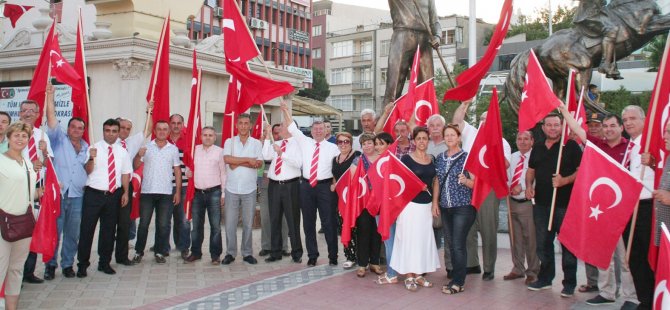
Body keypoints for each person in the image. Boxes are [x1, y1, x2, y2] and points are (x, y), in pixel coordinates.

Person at [561, 108, 632, 299]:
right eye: (605, 126)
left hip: (623, 210)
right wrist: (562, 109)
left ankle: (631, 296)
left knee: (624, 259)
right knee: (603, 256)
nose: (608, 129)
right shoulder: (598, 145)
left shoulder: (631, 148)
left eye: (612, 126)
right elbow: (578, 128)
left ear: (621, 127)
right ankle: (606, 293)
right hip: (601, 210)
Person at [453, 100, 511, 280]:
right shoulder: (472, 134)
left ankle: (489, 268)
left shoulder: (502, 142)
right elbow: (456, 123)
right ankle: (472, 263)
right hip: (468, 186)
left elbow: (505, 165)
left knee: (488, 229)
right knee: (468, 228)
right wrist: (464, 105)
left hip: (487, 188)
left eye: (489, 119)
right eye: (483, 119)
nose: (485, 122)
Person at [525, 114, 582, 297]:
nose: (552, 128)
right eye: (549, 125)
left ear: (562, 126)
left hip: (564, 205)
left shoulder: (571, 146)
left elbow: (581, 172)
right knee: (543, 244)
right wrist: (528, 186)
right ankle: (545, 279)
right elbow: (531, 170)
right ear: (543, 128)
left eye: (556, 125)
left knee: (567, 245)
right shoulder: (538, 147)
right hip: (541, 204)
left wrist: (564, 180)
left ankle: (569, 283)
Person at [281, 101, 340, 267]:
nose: (318, 131)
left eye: (321, 129)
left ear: (326, 130)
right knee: (308, 222)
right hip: (306, 186)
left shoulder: (333, 147)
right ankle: (312, 255)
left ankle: (333, 255)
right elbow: (292, 127)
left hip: (325, 187)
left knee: (328, 222)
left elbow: (337, 167)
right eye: (315, 129)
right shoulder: (304, 141)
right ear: (312, 131)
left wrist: (335, 183)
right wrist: (286, 110)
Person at [44, 84, 90, 280]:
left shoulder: (88, 147)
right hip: (59, 195)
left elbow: (89, 170)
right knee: (56, 231)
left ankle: (67, 264)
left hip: (78, 196)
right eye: (73, 126)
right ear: (68, 127)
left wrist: (93, 158)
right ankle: (50, 265)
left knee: (73, 233)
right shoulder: (58, 139)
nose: (76, 130)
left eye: (80, 128)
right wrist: (50, 97)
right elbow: (51, 118)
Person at [77, 118, 132, 277]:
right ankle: (82, 264)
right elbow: (87, 170)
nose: (111, 134)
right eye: (108, 131)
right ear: (103, 131)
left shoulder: (122, 151)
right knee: (87, 230)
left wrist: (126, 193)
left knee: (108, 231)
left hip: (113, 195)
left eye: (114, 131)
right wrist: (91, 158)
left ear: (118, 132)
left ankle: (104, 262)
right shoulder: (93, 148)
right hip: (93, 194)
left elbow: (125, 173)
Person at [391, 126, 439, 291]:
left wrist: (434, 203)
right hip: (409, 206)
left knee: (421, 241)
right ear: (414, 141)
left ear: (428, 141)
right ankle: (409, 276)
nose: (421, 141)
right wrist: (414, 187)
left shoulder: (432, 159)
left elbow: (435, 181)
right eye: (418, 138)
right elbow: (399, 182)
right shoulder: (406, 159)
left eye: (424, 138)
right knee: (409, 240)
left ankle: (418, 274)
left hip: (426, 206)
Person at [131, 120, 181, 265]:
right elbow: (136, 165)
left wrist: (177, 191)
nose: (162, 131)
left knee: (163, 224)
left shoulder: (173, 149)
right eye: (159, 129)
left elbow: (177, 171)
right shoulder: (146, 147)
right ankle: (138, 252)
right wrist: (138, 156)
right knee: (144, 224)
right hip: (147, 192)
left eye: (165, 129)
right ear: (154, 130)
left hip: (166, 192)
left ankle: (159, 252)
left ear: (169, 132)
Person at [0, 121, 37, 310]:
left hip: (23, 225)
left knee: (16, 270)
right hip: (3, 225)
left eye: (24, 136)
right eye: (16, 135)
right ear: (8, 138)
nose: (20, 139)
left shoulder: (27, 162)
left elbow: (27, 192)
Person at [434, 124, 475, 294]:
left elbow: (477, 184)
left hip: (463, 207)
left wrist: (466, 182)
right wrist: (435, 202)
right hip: (445, 208)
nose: (450, 138)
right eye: (447, 135)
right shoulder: (440, 158)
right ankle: (456, 278)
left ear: (459, 138)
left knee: (458, 244)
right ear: (443, 138)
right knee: (451, 244)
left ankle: (459, 281)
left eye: (453, 135)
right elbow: (437, 181)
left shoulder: (467, 158)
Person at [622, 105, 655, 310]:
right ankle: (645, 299)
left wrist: (652, 162)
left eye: (633, 118)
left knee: (648, 256)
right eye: (625, 120)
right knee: (633, 257)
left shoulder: (653, 143)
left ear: (644, 120)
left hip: (648, 206)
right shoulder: (630, 146)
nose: (628, 123)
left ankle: (654, 299)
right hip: (629, 207)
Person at [18, 99, 54, 284]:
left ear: (38, 114)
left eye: (32, 110)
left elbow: (49, 163)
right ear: (19, 113)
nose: (28, 113)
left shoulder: (42, 135)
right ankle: (13, 276)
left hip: (37, 190)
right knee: (18, 233)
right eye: (25, 110)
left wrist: (45, 153)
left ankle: (28, 272)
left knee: (33, 231)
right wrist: (30, 165)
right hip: (18, 189)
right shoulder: (14, 134)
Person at [221, 114, 263, 265]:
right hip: (231, 189)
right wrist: (247, 160)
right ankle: (230, 253)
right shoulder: (229, 142)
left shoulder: (256, 143)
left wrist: (237, 161)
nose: (244, 126)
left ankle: (247, 253)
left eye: (246, 123)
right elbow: (227, 159)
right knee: (230, 224)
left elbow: (258, 163)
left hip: (249, 190)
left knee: (247, 223)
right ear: (236, 126)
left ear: (250, 125)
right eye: (241, 123)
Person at [384, 0, 440, 104]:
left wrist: (437, 36)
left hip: (425, 39)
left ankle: (425, 117)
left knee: (426, 85)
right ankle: (387, 117)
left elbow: (434, 20)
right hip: (402, 36)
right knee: (394, 85)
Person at [262, 123, 303, 263]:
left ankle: (296, 252)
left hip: (290, 185)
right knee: (274, 219)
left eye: (283, 127)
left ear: (292, 129)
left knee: (293, 220)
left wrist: (282, 153)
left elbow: (298, 163)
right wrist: (268, 137)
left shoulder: (298, 144)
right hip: (274, 185)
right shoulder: (277, 142)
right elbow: (265, 155)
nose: (280, 129)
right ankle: (275, 252)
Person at [184, 126, 226, 265]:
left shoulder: (220, 152)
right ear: (201, 136)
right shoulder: (194, 150)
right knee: (197, 226)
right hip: (197, 193)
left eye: (210, 135)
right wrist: (187, 172)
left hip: (214, 192)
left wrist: (223, 193)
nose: (207, 137)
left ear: (215, 137)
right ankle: (196, 252)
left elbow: (223, 173)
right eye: (205, 135)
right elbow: (188, 168)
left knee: (215, 226)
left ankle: (215, 255)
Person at [504, 131, 539, 285]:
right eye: (519, 138)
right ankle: (518, 268)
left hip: (527, 203)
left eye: (526, 139)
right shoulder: (512, 157)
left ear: (532, 141)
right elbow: (506, 176)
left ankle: (532, 271)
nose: (522, 141)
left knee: (530, 238)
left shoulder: (536, 156)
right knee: (515, 238)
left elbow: (537, 177)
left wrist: (523, 187)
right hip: (512, 201)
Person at [116, 114, 151, 253]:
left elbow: (148, 128)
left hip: (126, 187)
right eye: (122, 127)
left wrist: (149, 111)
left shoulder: (131, 142)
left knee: (125, 221)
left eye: (128, 128)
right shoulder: (109, 144)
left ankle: (122, 252)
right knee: (110, 221)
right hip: (111, 186)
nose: (124, 130)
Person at [349, 133, 383, 277]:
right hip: (363, 202)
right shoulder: (358, 160)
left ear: (374, 144)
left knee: (377, 232)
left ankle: (375, 262)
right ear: (361, 146)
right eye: (364, 144)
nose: (367, 146)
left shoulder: (383, 159)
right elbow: (352, 180)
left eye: (370, 143)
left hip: (379, 201)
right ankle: (362, 264)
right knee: (363, 232)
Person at [373, 132, 400, 285]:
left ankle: (392, 273)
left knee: (389, 240)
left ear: (390, 145)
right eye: (376, 143)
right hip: (378, 207)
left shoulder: (392, 162)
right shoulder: (378, 161)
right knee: (388, 240)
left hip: (390, 208)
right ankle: (393, 271)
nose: (377, 147)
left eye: (381, 143)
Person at [259, 124, 290, 258]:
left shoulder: (288, 146)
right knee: (265, 217)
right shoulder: (265, 145)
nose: (276, 136)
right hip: (266, 187)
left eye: (279, 132)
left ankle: (283, 247)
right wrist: (264, 141)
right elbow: (261, 160)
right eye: (274, 133)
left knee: (283, 218)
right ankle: (266, 246)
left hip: (282, 187)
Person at [331, 131, 360, 269]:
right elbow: (336, 176)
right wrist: (334, 184)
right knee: (344, 227)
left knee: (357, 228)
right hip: (340, 199)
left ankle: (361, 256)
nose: (343, 144)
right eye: (340, 142)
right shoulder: (335, 159)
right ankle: (349, 256)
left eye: (346, 141)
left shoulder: (357, 156)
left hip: (355, 199)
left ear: (351, 142)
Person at [167, 114, 191, 260]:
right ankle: (163, 246)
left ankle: (183, 247)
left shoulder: (188, 141)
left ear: (183, 124)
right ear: (170, 124)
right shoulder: (163, 140)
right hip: (165, 185)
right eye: (173, 123)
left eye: (179, 123)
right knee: (165, 218)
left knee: (183, 218)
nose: (176, 126)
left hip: (184, 185)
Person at [426, 114, 448, 265]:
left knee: (447, 233)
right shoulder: (423, 144)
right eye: (432, 126)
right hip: (426, 194)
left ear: (443, 127)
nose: (435, 128)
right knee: (428, 232)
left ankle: (449, 266)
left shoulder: (450, 144)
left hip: (446, 195)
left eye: (438, 125)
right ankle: (427, 263)